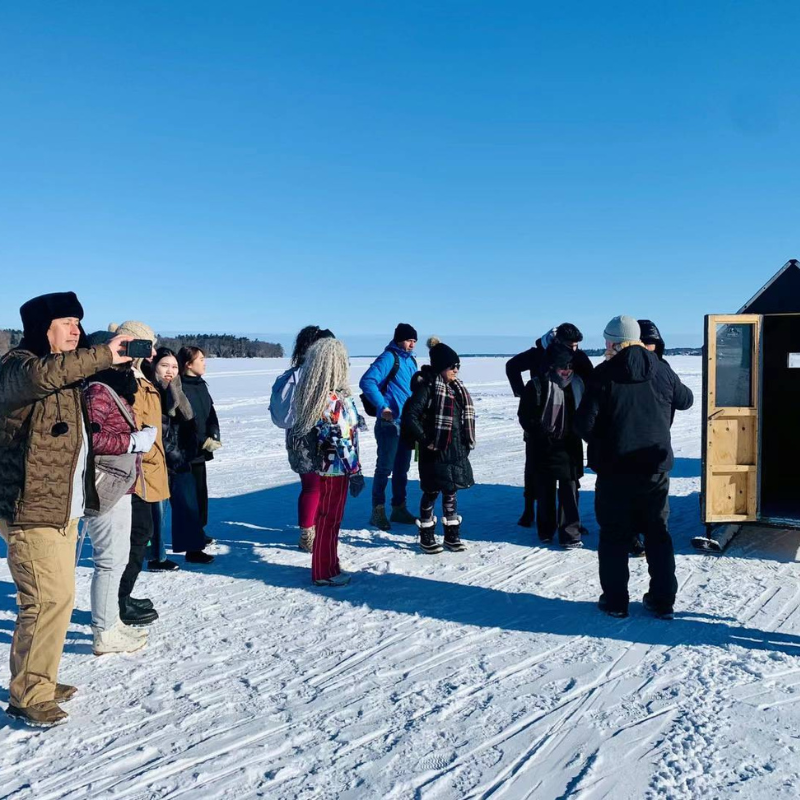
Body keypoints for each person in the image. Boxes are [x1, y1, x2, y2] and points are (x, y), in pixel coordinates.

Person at [0, 293, 132, 727]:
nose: (76, 329)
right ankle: (28, 694)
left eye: (79, 322)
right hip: (30, 506)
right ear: (42, 328)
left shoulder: (65, 376)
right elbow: (41, 377)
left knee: (59, 599)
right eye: (67, 322)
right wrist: (100, 354)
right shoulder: (17, 368)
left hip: (64, 506)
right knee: (45, 599)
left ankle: (39, 677)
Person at [575, 316, 693, 620]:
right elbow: (686, 400)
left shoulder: (603, 374)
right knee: (658, 533)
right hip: (654, 469)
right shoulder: (662, 370)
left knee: (614, 536)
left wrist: (608, 439)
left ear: (614, 342)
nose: (604, 347)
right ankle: (662, 601)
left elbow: (583, 425)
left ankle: (615, 602)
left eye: (606, 342)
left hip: (615, 470)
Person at [83, 331, 155, 655]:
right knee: (109, 561)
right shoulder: (98, 389)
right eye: (123, 352)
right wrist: (131, 443)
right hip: (107, 486)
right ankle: (105, 632)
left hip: (120, 484)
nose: (129, 359)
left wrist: (135, 436)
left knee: (118, 558)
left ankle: (111, 623)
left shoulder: (115, 387)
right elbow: (92, 438)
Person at [290, 338, 365, 586]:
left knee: (330, 521)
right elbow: (340, 438)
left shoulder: (330, 396)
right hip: (334, 470)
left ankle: (328, 563)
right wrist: (355, 471)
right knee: (329, 521)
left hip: (334, 468)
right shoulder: (330, 400)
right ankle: (324, 571)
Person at [506, 323, 594, 528]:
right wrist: (521, 393)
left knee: (571, 473)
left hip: (569, 421)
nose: (573, 348)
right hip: (536, 419)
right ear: (557, 341)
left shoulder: (577, 356)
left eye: (576, 345)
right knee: (534, 469)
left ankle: (572, 519)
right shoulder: (538, 353)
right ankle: (529, 510)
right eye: (570, 344)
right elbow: (511, 366)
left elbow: (591, 379)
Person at [110, 320, 167, 627]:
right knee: (135, 538)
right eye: (147, 345)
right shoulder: (122, 379)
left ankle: (123, 596)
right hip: (134, 472)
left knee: (140, 536)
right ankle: (118, 602)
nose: (153, 352)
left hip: (146, 467)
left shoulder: (139, 376)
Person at [402, 337, 475, 554]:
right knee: (431, 491)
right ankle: (427, 535)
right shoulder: (428, 388)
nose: (456, 371)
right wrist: (427, 440)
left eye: (458, 367)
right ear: (441, 366)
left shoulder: (456, 389)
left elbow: (462, 419)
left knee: (451, 491)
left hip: (455, 450)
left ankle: (452, 535)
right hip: (434, 452)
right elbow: (410, 416)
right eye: (452, 366)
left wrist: (465, 443)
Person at [517, 342, 585, 549]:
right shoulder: (537, 385)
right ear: (552, 366)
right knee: (545, 491)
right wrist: (539, 429)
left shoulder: (577, 384)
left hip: (570, 445)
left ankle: (570, 533)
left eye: (570, 367)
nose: (567, 371)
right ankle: (545, 530)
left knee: (569, 490)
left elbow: (586, 412)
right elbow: (524, 416)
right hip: (544, 446)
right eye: (563, 367)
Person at [151, 348, 213, 564]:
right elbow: (158, 427)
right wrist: (172, 453)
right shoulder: (151, 390)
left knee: (189, 505)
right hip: (158, 459)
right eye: (164, 366)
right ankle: (155, 556)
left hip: (180, 456)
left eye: (173, 367)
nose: (170, 371)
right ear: (154, 366)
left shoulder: (177, 390)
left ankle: (194, 549)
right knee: (156, 512)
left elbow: (191, 421)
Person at [279, 326, 335, 552]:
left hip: (313, 435)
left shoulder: (301, 372)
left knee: (318, 485)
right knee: (313, 486)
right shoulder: (304, 375)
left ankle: (312, 528)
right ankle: (307, 533)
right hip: (306, 436)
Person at [359, 323, 419, 531]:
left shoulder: (411, 361)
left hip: (406, 424)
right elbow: (367, 381)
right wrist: (382, 406)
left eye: (414, 341)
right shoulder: (389, 358)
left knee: (402, 469)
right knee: (384, 468)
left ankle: (399, 508)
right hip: (389, 425)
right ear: (399, 339)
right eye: (409, 340)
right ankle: (378, 511)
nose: (412, 344)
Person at [178, 346, 221, 545]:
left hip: (201, 451)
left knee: (201, 495)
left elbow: (210, 411)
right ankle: (191, 541)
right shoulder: (179, 387)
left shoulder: (201, 384)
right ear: (188, 364)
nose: (204, 362)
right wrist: (201, 439)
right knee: (188, 499)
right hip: (186, 452)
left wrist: (214, 433)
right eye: (201, 359)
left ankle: (199, 532)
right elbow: (183, 421)